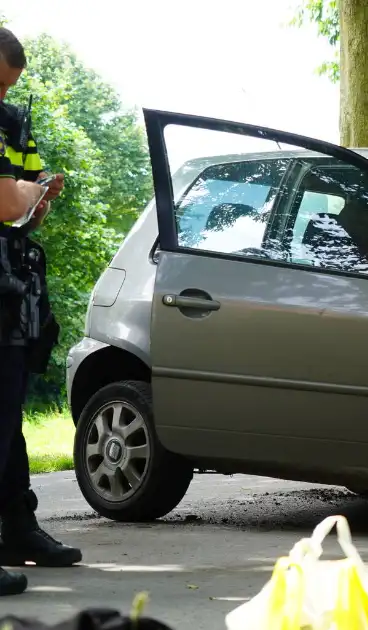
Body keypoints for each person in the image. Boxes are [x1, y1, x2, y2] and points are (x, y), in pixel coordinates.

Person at [0, 27, 81, 597]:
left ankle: (19, 530)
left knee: (9, 416)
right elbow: (8, 199)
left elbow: (21, 211)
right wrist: (25, 196)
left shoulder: (13, 122)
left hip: (9, 285)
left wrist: (38, 200)